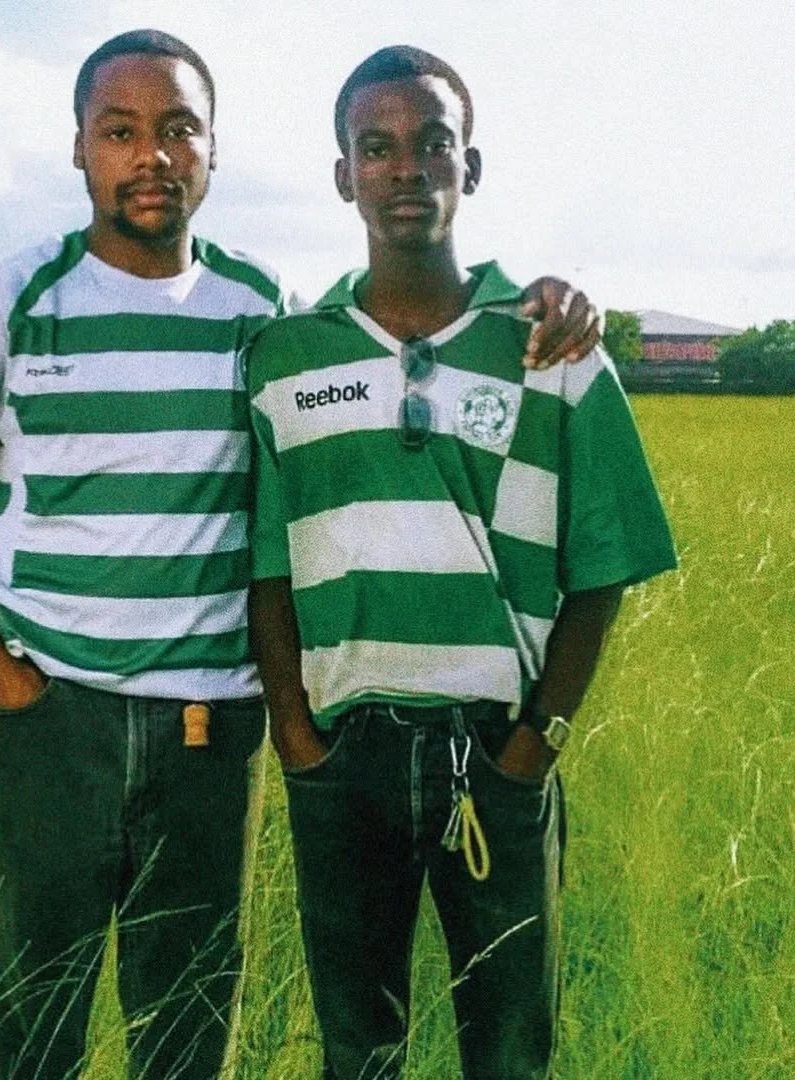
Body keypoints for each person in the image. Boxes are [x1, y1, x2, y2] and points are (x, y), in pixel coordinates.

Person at [0, 30, 602, 1080]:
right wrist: (2, 680)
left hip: (214, 736)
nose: (151, 155)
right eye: (121, 131)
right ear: (80, 150)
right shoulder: (12, 300)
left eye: (177, 129)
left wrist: (549, 299)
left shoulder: (262, 313)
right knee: (29, 1034)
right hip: (47, 724)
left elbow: (384, 356)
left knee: (190, 1036)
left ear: (212, 151)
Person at [246, 46, 678, 1080]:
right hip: (344, 757)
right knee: (358, 1050)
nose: (407, 169)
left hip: (498, 752)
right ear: (344, 175)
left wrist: (537, 745)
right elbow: (269, 568)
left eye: (433, 145)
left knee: (512, 1049)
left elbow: (603, 569)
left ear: (469, 170)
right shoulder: (286, 358)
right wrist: (298, 740)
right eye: (378, 148)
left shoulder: (553, 350)